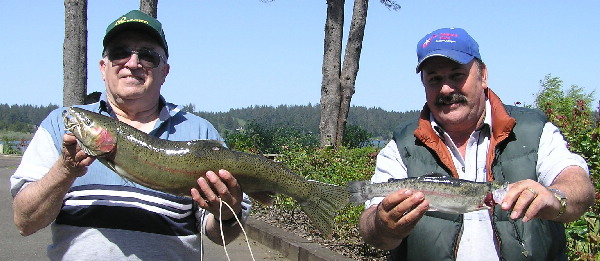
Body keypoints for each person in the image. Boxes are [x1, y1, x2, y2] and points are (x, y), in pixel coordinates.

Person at [10, 10, 251, 260]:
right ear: (103, 68)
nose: (132, 63)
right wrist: (65, 170)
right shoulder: (60, 124)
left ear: (165, 71)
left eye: (147, 56)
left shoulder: (200, 132)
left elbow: (219, 235)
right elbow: (25, 222)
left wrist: (227, 211)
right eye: (119, 53)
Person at [358, 27, 595, 260]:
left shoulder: (534, 129)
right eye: (434, 79)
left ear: (483, 75)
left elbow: (579, 185)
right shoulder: (401, 144)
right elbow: (372, 233)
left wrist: (555, 197)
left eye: (457, 75)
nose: (446, 88)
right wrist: (383, 225)